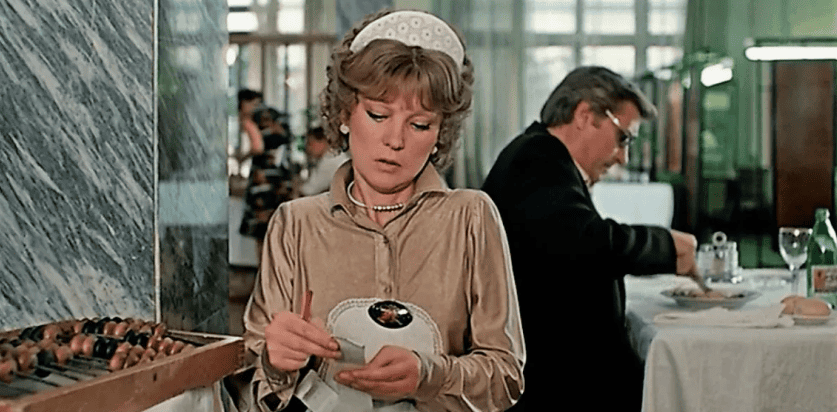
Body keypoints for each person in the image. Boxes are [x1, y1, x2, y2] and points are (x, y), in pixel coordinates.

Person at [242, 9, 525, 412]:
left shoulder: (472, 218)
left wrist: (430, 374)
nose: (395, 140)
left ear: (440, 133)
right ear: (344, 114)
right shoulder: (295, 223)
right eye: (378, 115)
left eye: (420, 125)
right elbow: (253, 393)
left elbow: (506, 377)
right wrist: (275, 364)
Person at [480, 66, 700, 411]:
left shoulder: (544, 157)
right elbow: (587, 243)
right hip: (557, 386)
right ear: (585, 115)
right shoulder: (537, 158)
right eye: (623, 138)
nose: (623, 157)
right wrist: (668, 247)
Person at [298, 126, 349, 197]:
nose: (308, 148)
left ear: (323, 141)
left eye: (310, 143)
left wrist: (297, 188)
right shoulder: (334, 156)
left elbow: (310, 190)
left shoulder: (330, 161)